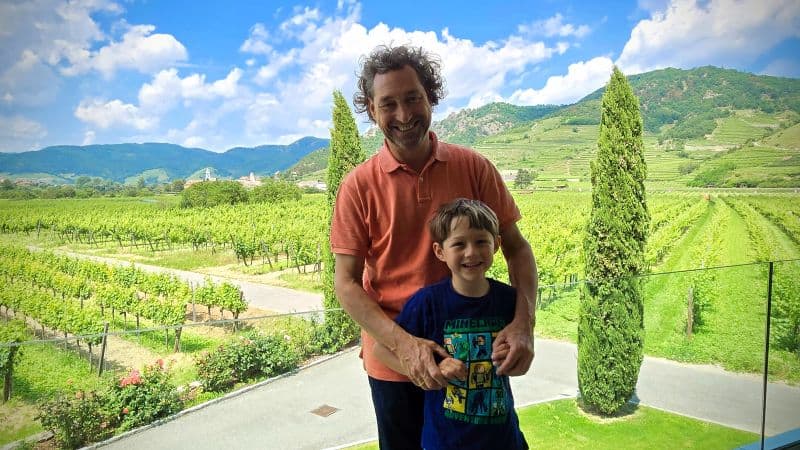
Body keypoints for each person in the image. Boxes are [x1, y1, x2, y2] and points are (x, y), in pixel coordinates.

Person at [331, 44, 537, 449]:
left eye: (413, 98)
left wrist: (523, 323)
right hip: (395, 365)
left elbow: (517, 249)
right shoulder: (357, 186)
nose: (404, 114)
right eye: (388, 104)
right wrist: (405, 345)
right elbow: (346, 284)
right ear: (371, 110)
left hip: (469, 353)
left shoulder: (474, 167)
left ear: (431, 97)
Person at [373, 198, 529, 450]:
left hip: (504, 440)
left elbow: (519, 361)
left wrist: (513, 360)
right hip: (444, 443)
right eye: (459, 244)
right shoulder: (427, 303)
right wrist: (430, 371)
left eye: (481, 241)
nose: (471, 252)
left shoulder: (509, 300)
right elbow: (381, 350)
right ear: (440, 251)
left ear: (497, 244)